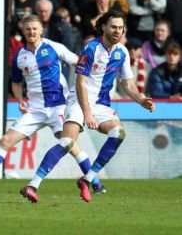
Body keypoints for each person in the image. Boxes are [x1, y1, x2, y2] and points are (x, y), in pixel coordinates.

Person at [20, 10, 155, 203]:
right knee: (67, 142)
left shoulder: (122, 52)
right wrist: (87, 113)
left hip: (101, 105)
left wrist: (141, 100)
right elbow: (80, 82)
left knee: (118, 134)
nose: (117, 31)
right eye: (113, 27)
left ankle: (87, 178)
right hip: (78, 101)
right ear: (103, 27)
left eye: (120, 28)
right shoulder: (91, 49)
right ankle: (32, 185)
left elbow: (127, 83)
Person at [0, 15, 102, 194]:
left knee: (70, 144)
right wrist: (21, 100)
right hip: (35, 110)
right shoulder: (19, 56)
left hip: (59, 106)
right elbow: (15, 82)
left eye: (35, 28)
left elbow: (77, 62)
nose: (31, 32)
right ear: (23, 31)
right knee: (6, 140)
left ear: (41, 29)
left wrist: (88, 84)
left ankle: (96, 182)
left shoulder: (53, 47)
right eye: (28, 29)